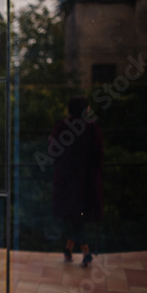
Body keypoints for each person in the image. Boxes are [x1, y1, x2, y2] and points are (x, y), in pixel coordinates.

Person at [51, 96, 103, 268]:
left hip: (67, 180)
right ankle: (86, 252)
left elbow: (53, 151)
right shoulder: (91, 127)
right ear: (86, 109)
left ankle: (69, 249)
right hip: (85, 181)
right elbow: (98, 154)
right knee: (78, 217)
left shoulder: (62, 126)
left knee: (75, 217)